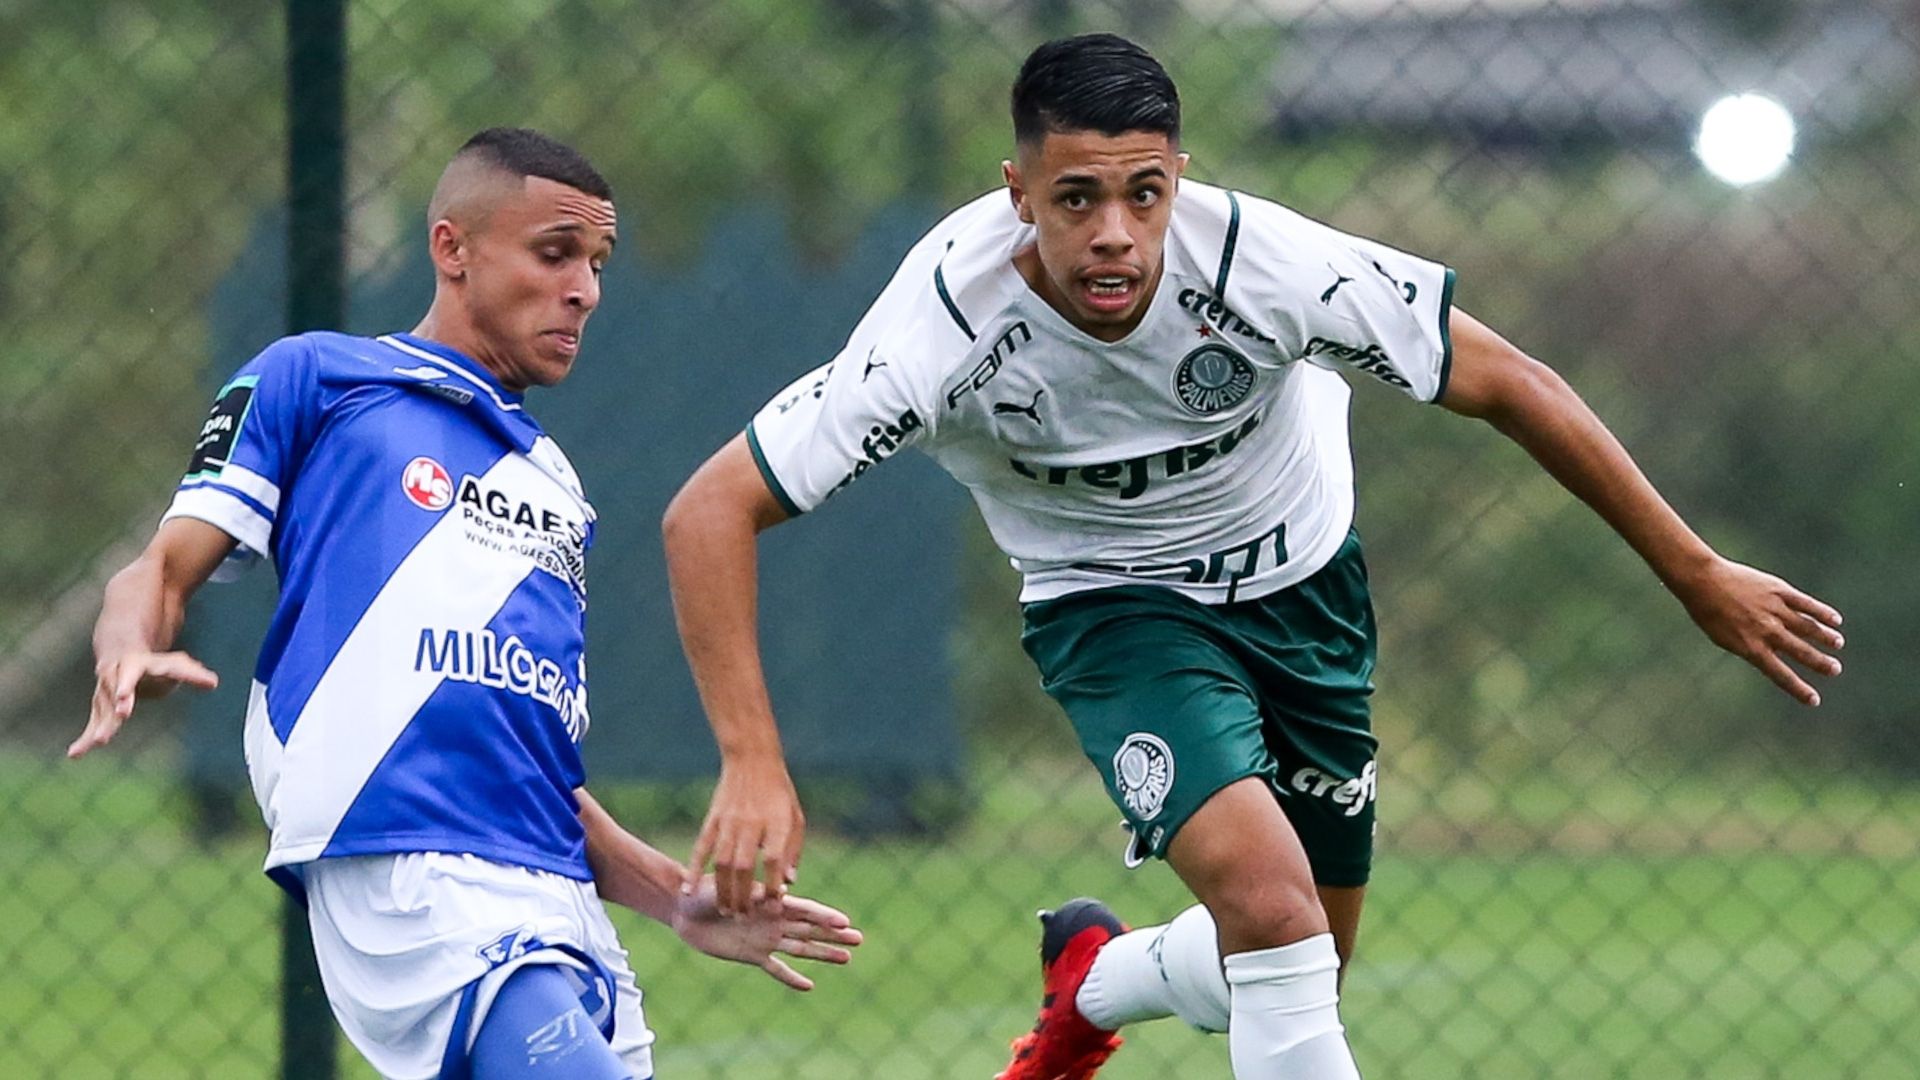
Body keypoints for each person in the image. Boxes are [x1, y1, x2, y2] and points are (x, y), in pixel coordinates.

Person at [659, 34, 1845, 1080]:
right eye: (1075, 198)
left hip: (1308, 592)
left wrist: (1695, 572)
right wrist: (754, 759)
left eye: (1143, 193)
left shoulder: (1264, 263)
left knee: (1296, 968)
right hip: (1116, 614)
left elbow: (1508, 381)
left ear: (1180, 178)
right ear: (1017, 192)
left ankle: (1096, 981)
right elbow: (710, 510)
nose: (1113, 233)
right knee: (1277, 919)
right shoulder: (943, 326)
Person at [68, 127, 862, 1080]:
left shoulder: (558, 486)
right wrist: (129, 646)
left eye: (598, 263)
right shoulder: (317, 380)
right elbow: (153, 571)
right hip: (407, 860)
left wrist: (671, 897)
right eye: (555, 253)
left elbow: (529, 769)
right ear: (452, 249)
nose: (585, 290)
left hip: (555, 896)